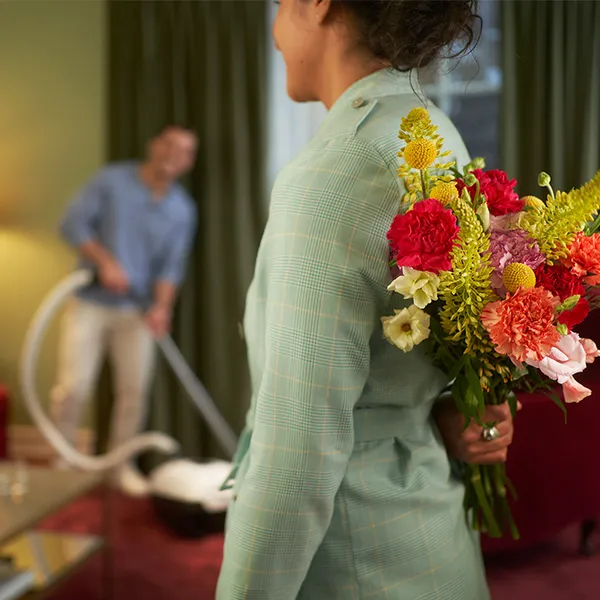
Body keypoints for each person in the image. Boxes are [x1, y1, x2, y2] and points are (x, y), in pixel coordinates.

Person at [216, 1, 517, 599]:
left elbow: (295, 456)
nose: (275, 31)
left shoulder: (336, 171)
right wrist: (458, 402)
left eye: (278, 5)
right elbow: (443, 334)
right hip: (430, 534)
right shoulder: (431, 132)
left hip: (354, 554)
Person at [51, 125, 198, 496]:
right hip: (91, 302)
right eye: (168, 145)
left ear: (189, 162)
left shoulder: (182, 209)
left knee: (134, 390)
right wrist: (105, 261)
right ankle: (61, 461)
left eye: (183, 151)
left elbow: (170, 267)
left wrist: (162, 308)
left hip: (137, 311)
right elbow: (71, 225)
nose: (173, 154)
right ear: (153, 145)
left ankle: (120, 466)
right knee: (75, 386)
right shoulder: (111, 181)